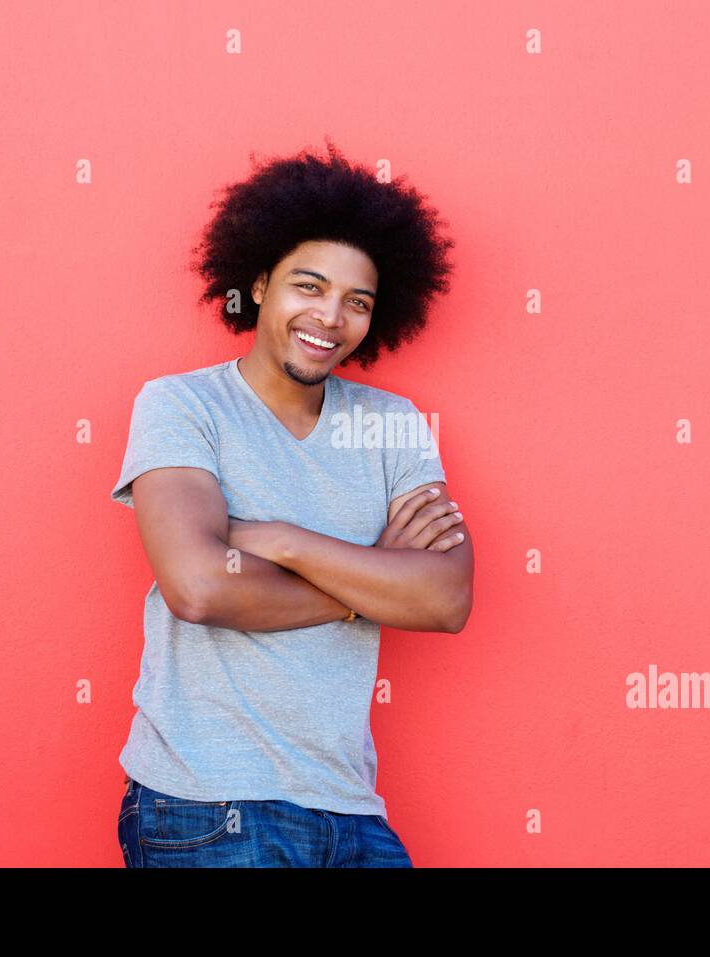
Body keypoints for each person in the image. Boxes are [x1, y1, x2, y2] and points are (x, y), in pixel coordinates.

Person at [110, 141, 473, 867]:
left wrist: (278, 537)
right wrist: (371, 583)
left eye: (357, 301)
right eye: (308, 286)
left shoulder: (391, 422)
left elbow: (445, 599)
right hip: (207, 802)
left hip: (351, 808)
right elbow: (201, 585)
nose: (330, 316)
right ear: (261, 281)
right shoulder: (184, 405)